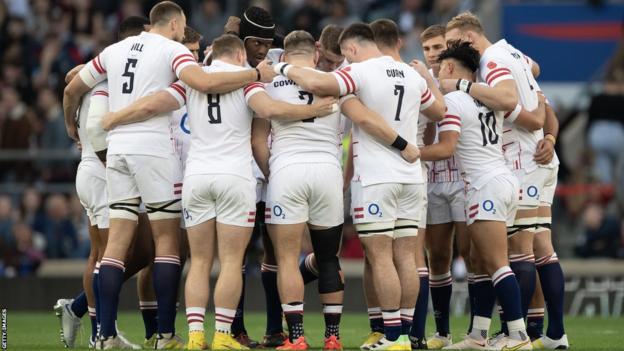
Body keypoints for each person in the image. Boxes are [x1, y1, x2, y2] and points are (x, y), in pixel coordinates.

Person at [100, 33, 336, 351]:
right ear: (240, 56)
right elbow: (272, 109)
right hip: (234, 178)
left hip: (197, 176)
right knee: (229, 261)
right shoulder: (247, 82)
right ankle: (223, 336)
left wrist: (116, 117)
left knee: (198, 262)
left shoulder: (191, 80)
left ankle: (196, 336)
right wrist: (314, 112)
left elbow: (157, 103)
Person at [62, 2, 276, 348]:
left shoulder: (112, 51)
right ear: (175, 24)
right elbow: (203, 82)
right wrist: (255, 75)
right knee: (167, 244)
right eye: (184, 26)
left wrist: (73, 126)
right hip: (155, 150)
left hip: (116, 150)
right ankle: (165, 335)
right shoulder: (174, 51)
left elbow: (73, 87)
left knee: (114, 246)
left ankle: (104, 335)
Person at [272, 22, 445, 350]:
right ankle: (407, 335)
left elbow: (315, 81)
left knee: (380, 258)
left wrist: (281, 65)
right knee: (407, 258)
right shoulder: (409, 74)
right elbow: (439, 110)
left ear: (351, 49)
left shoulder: (359, 73)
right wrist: (427, 80)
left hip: (377, 177)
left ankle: (392, 336)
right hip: (412, 177)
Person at [443, 12, 566, 349]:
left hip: (522, 160)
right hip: (541, 158)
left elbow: (514, 105)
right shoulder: (511, 53)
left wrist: (464, 85)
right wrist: (548, 132)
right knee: (541, 247)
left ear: (469, 38)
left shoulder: (492, 61)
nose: (452, 53)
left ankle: (518, 333)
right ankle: (553, 333)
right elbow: (536, 71)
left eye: (454, 44)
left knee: (519, 250)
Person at [420, 41, 530, 351]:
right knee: (482, 262)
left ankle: (518, 336)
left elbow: (447, 148)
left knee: (495, 263)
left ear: (451, 68)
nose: (439, 73)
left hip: (484, 185)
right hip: (504, 179)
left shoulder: (454, 100)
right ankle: (479, 336)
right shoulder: (486, 96)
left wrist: (411, 151)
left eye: (441, 68)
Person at [250, 30, 345, 351]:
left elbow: (257, 141)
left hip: (287, 171)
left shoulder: (269, 85)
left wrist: (272, 172)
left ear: (284, 56)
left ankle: (297, 338)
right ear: (315, 55)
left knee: (288, 260)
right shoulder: (334, 83)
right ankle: (333, 337)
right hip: (328, 172)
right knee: (328, 259)